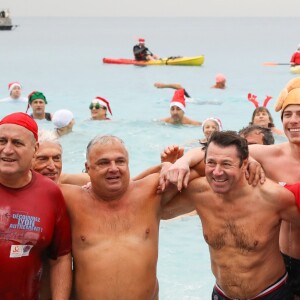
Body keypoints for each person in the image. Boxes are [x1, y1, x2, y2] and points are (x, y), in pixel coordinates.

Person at [161, 77, 300, 298]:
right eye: (288, 114)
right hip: (280, 256)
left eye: (299, 114)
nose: (293, 121)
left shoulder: (272, 190)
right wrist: (181, 163)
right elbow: (216, 151)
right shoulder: (269, 154)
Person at [59, 135, 181, 299]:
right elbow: (28, 180)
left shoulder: (151, 192)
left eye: (120, 161)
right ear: (87, 168)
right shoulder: (70, 198)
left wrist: (178, 164)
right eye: (104, 163)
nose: (114, 168)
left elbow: (210, 168)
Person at [0, 112, 72, 299]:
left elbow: (61, 257)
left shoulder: (50, 193)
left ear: (35, 148)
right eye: (1, 141)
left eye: (17, 143)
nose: (7, 150)